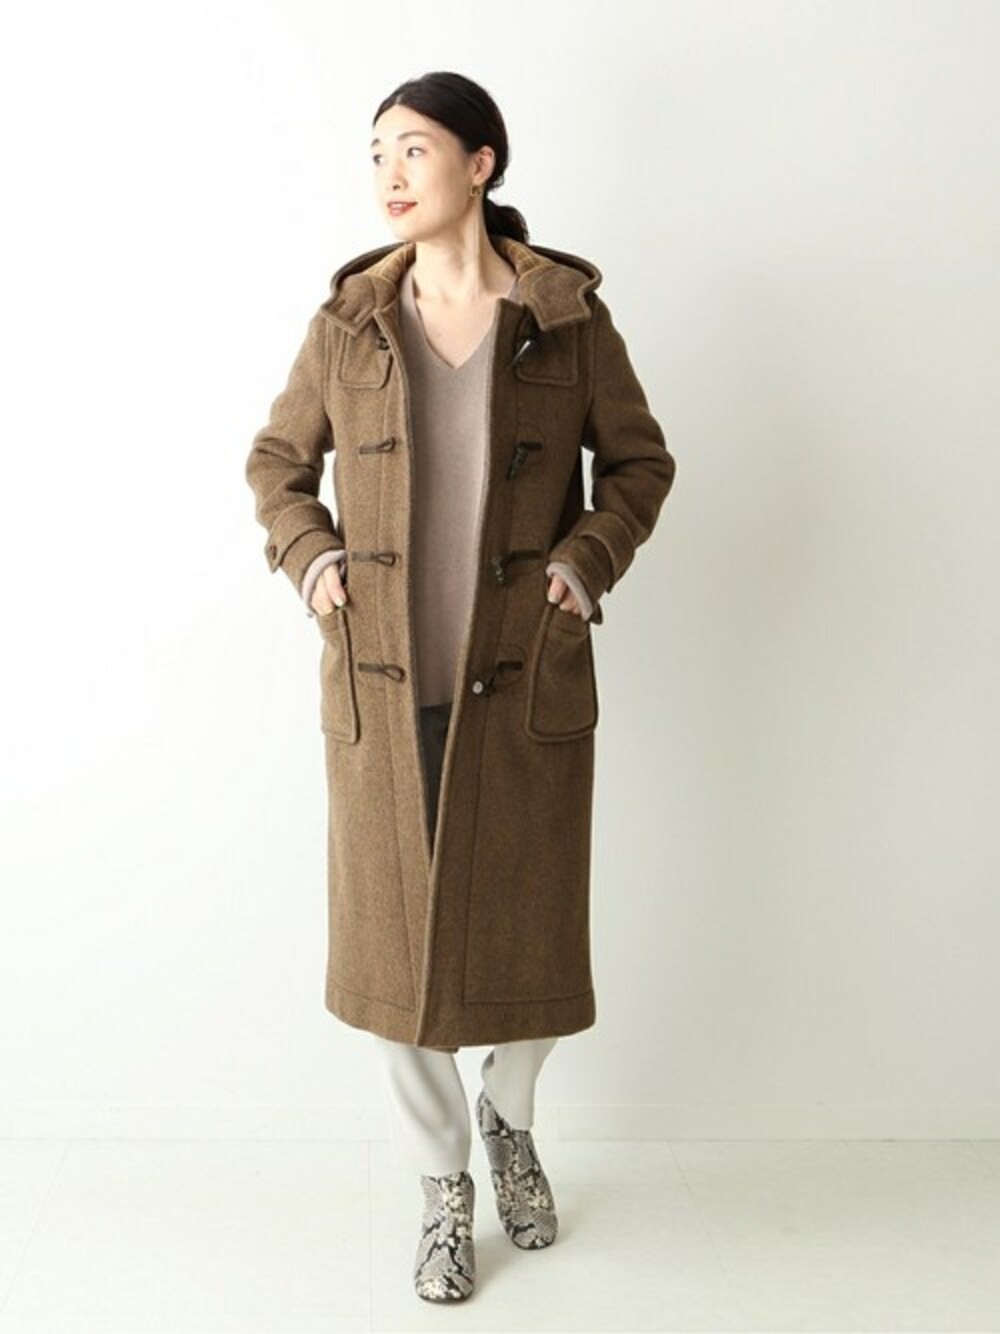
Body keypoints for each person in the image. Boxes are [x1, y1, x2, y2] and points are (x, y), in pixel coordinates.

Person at [245, 70, 675, 1304]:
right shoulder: (348, 323)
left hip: (523, 678)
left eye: (415, 148)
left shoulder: (565, 319)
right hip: (382, 685)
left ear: (480, 163)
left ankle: (508, 1114)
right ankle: (442, 1188)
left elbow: (639, 463)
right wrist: (314, 560)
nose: (389, 172)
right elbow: (277, 463)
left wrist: (582, 564)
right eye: (377, 149)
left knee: (532, 933)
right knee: (392, 951)